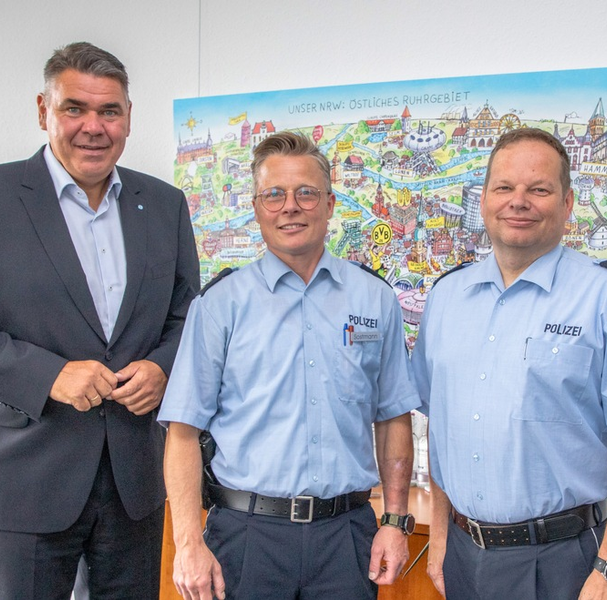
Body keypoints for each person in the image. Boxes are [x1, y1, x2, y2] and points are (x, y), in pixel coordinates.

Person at [0, 42, 200, 598]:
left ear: (128, 117)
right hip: (22, 484)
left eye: (109, 111)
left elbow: (188, 315)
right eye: (74, 109)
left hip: (136, 483)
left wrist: (163, 367)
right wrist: (49, 376)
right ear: (44, 110)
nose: (94, 127)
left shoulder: (165, 205)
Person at [412, 128, 607, 600]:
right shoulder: (445, 297)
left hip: (562, 561)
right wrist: (439, 535)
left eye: (538, 189)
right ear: (484, 199)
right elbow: (441, 426)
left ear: (567, 203)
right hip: (461, 551)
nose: (518, 201)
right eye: (504, 187)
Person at [159, 131, 419, 600]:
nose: (290, 207)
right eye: (274, 194)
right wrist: (188, 543)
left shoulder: (375, 299)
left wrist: (396, 521)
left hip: (346, 537)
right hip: (246, 536)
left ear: (330, 204)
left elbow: (393, 416)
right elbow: (182, 432)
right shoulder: (219, 305)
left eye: (306, 193)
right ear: (257, 207)